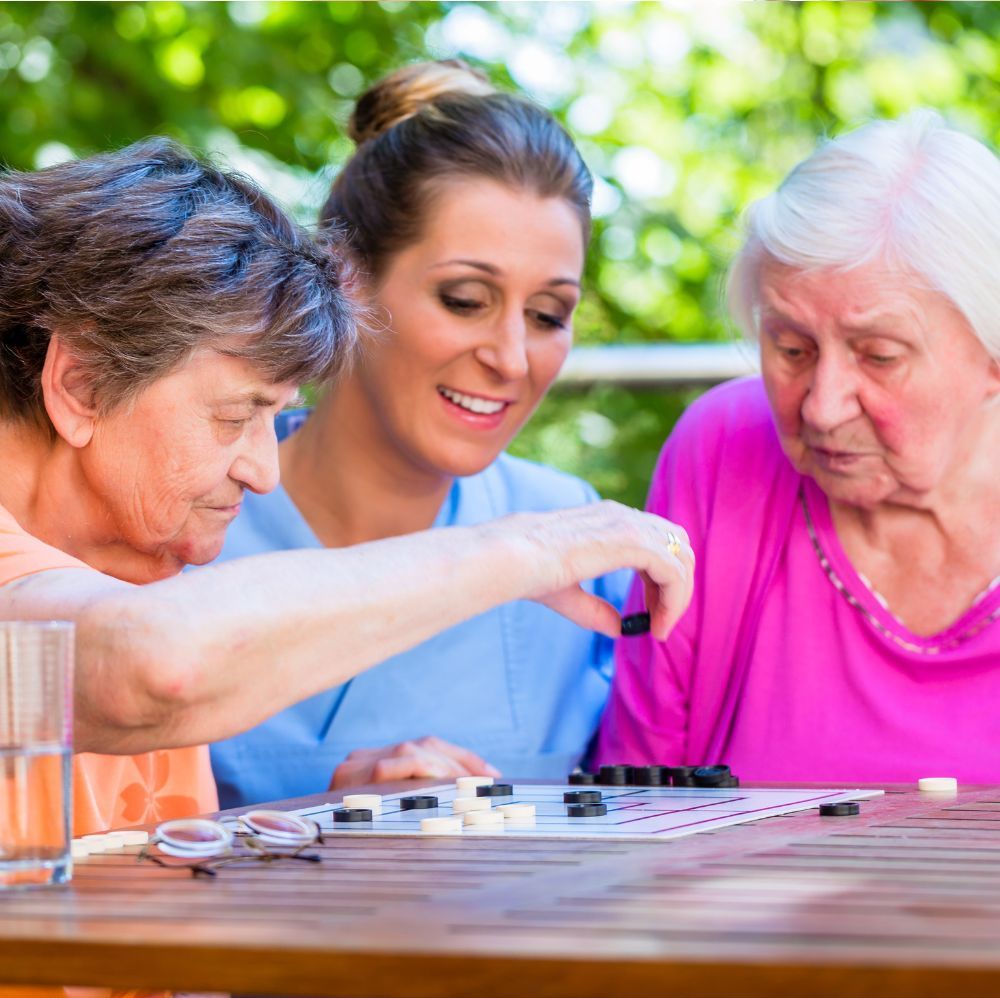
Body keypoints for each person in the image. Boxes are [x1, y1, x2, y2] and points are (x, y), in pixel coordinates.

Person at [0, 136, 695, 847]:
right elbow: (150, 666)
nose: (263, 473)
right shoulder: (136, 622)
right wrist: (524, 550)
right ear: (81, 385)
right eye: (236, 416)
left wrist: (330, 820)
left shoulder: (133, 559)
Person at [209, 60, 631, 807]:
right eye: (465, 300)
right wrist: (309, 818)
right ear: (347, 277)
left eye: (547, 315)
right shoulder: (186, 525)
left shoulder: (579, 546)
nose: (510, 357)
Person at [598, 110, 1000, 783]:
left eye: (878, 355)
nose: (820, 404)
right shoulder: (721, 450)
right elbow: (635, 796)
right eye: (791, 348)